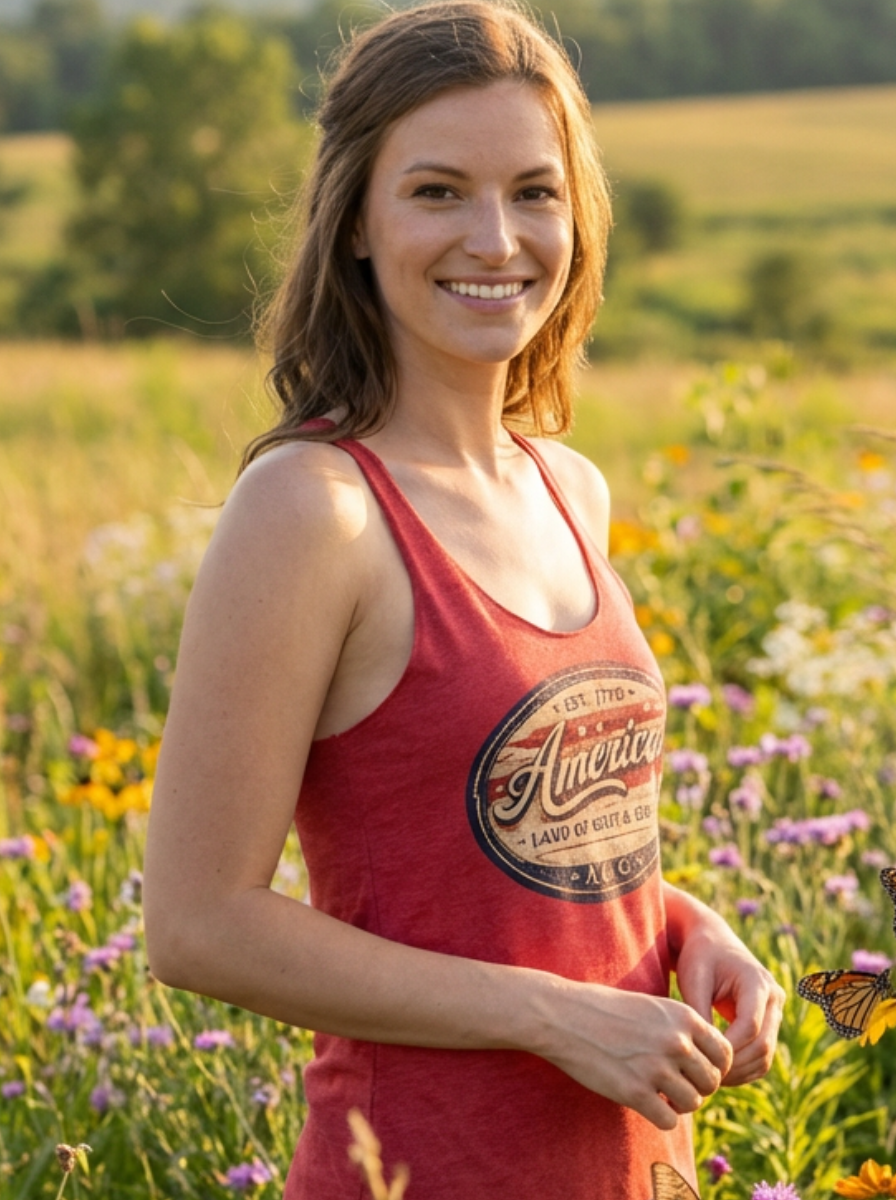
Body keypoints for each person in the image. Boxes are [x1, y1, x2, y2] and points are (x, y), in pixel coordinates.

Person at [142, 3, 785, 1198]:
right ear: (356, 227)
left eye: (535, 192)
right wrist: (558, 1017)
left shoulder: (569, 487)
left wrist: (687, 930)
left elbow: (519, 871)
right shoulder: (315, 510)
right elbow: (198, 923)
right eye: (438, 190)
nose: (496, 238)